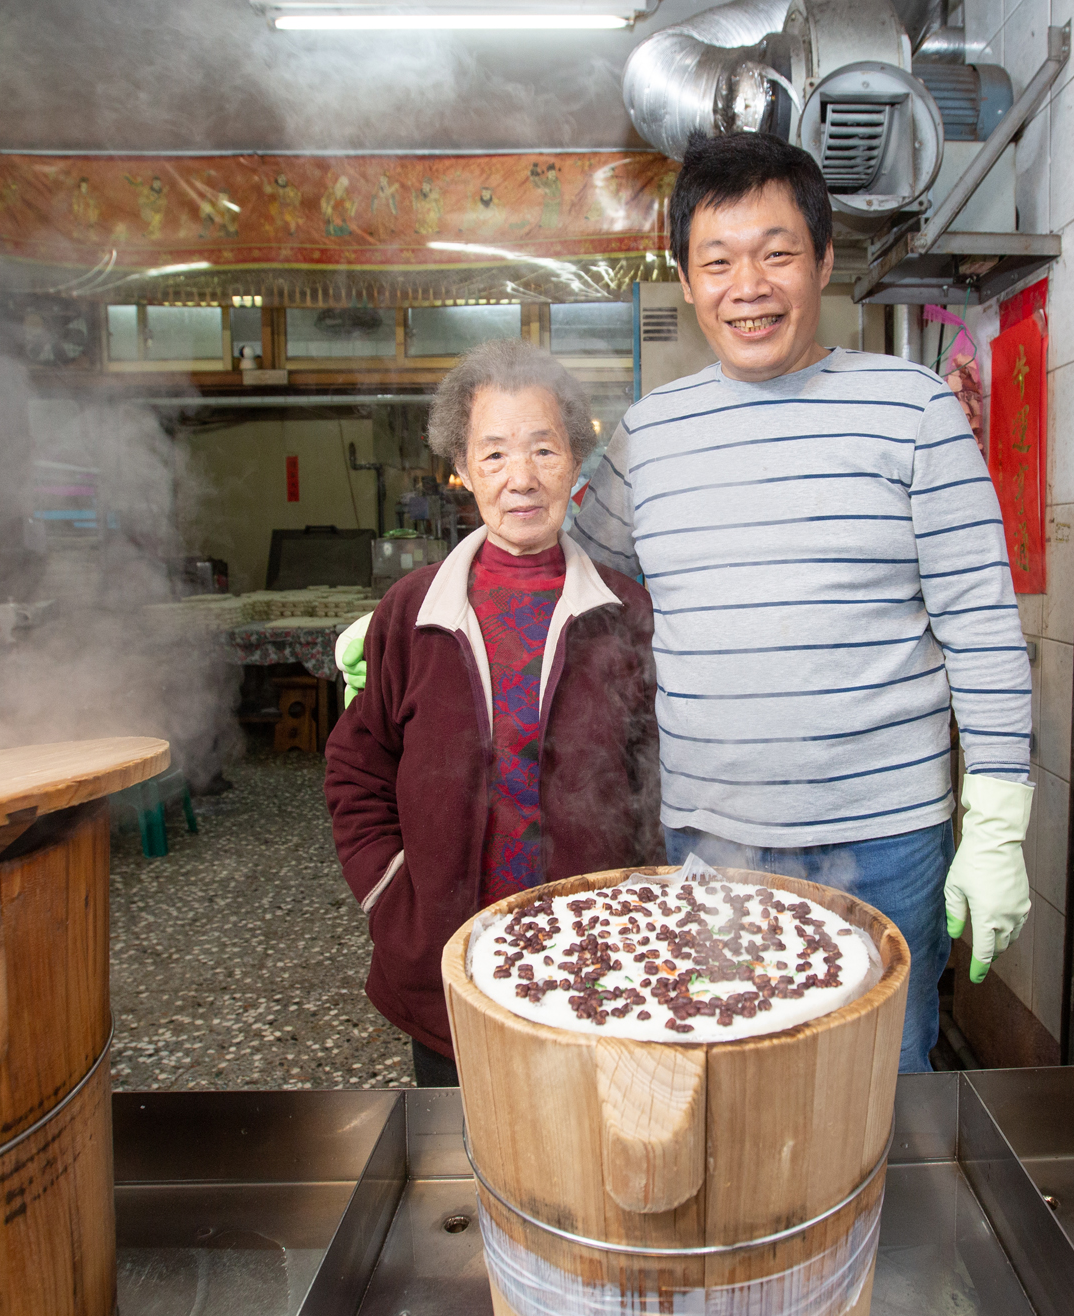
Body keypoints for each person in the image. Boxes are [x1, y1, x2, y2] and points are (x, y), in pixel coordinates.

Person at [567, 132, 1035, 1072]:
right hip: (711, 836)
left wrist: (997, 822)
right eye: (719, 260)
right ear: (687, 278)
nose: (750, 286)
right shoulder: (647, 438)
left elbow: (982, 625)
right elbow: (570, 580)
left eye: (777, 253)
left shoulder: (912, 410)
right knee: (732, 1076)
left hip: (887, 839)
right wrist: (426, 601)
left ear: (824, 260)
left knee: (877, 1089)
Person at [323, 339, 661, 1088]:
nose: (521, 478)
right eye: (495, 454)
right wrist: (391, 893)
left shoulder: (622, 609)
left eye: (543, 449)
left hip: (594, 968)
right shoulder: (413, 611)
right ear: (463, 469)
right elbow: (356, 765)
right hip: (446, 969)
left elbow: (654, 780)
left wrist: (641, 903)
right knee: (463, 1154)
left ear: (575, 461)